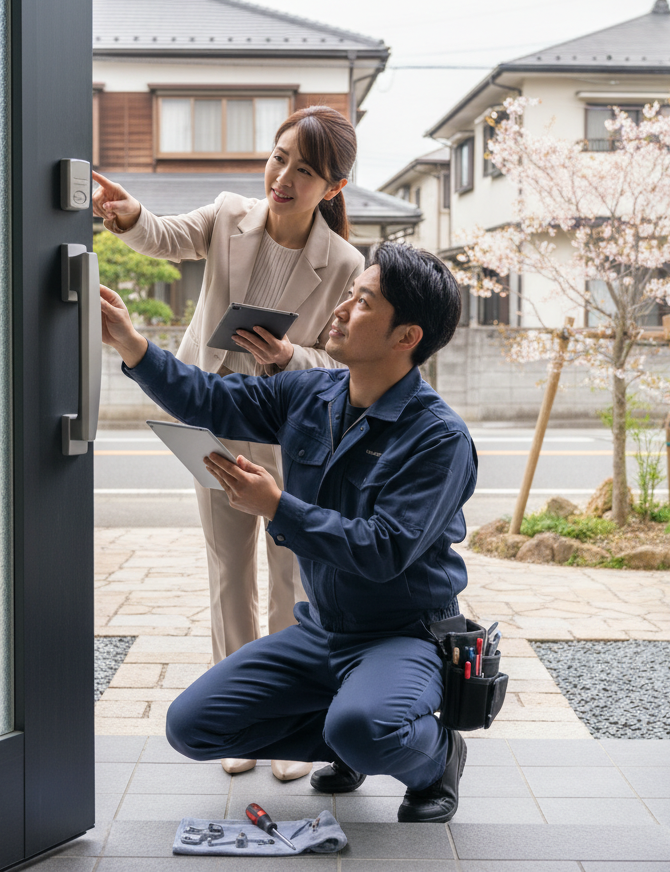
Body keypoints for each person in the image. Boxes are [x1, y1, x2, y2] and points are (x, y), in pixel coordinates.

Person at [99, 241, 478, 823]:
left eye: (364, 302)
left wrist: (277, 507)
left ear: (406, 337)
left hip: (404, 636)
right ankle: (350, 736)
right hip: (324, 630)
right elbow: (209, 399)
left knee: (366, 727)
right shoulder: (312, 393)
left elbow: (383, 550)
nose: (342, 309)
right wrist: (132, 344)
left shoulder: (438, 438)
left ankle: (437, 758)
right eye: (350, 294)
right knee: (192, 727)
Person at [91, 106, 364, 782]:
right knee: (228, 572)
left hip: (288, 433)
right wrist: (130, 216)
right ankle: (242, 720)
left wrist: (289, 356)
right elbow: (166, 236)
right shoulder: (226, 214)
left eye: (305, 170)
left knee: (289, 576)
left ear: (333, 187)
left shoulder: (344, 262)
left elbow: (342, 364)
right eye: (278, 158)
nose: (283, 178)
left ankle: (288, 722)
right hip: (208, 419)